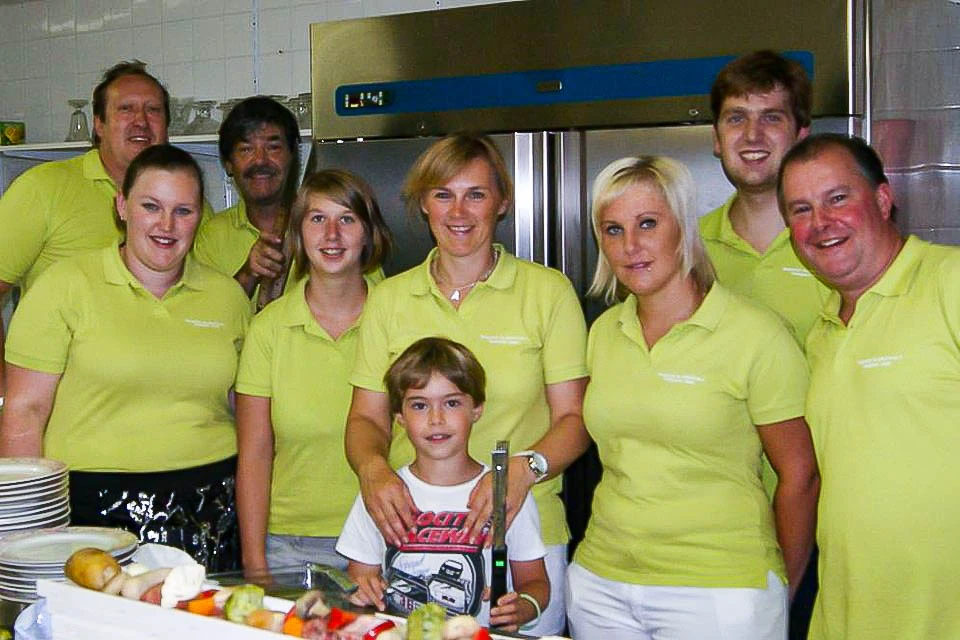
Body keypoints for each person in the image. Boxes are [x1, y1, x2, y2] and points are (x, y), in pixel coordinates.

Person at [565, 156, 819, 639]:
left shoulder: (756, 334)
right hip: (602, 583)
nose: (631, 246)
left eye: (647, 224)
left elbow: (800, 476)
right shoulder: (605, 332)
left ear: (683, 226)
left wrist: (777, 589)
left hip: (720, 588)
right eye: (613, 230)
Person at [344, 133, 587, 636]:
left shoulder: (547, 292)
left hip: (523, 541)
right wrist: (372, 470)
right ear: (423, 204)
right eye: (443, 194)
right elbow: (366, 417)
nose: (458, 211)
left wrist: (525, 470)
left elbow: (575, 419)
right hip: (412, 539)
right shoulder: (389, 299)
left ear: (502, 202)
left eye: (475, 194)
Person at [0, 144, 250, 571]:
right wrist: (31, 534)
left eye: (183, 211)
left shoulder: (227, 296)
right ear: (121, 206)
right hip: (91, 511)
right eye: (151, 206)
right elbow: (25, 412)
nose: (166, 225)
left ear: (199, 218)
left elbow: (244, 410)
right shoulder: (64, 286)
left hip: (212, 507)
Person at [778, 133, 960, 639]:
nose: (821, 222)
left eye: (838, 198)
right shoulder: (821, 333)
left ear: (882, 200)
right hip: (847, 613)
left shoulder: (949, 282)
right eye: (801, 209)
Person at [235, 169, 392, 574]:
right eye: (318, 218)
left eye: (347, 219)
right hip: (291, 546)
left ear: (368, 233)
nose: (332, 234)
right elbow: (254, 454)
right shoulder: (268, 329)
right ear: (298, 233)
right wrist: (255, 562)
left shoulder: (400, 317)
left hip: (390, 535)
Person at [337, 337, 549, 632]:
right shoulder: (380, 494)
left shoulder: (505, 493)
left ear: (477, 409)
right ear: (399, 417)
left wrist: (524, 606)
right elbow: (358, 579)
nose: (436, 419)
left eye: (451, 403)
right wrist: (363, 591)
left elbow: (536, 583)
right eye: (419, 405)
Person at [0, 59, 170, 401]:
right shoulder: (43, 187)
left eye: (153, 110)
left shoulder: (184, 204)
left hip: (155, 405)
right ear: (99, 124)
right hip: (58, 410)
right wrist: (5, 393)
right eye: (126, 109)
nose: (141, 120)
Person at [700, 50, 829, 346]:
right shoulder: (687, 247)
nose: (752, 135)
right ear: (717, 139)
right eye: (736, 118)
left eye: (771, 118)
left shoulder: (835, 240)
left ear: (801, 136)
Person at [192, 96, 300, 307]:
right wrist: (248, 273)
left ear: (292, 155)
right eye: (246, 149)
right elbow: (204, 316)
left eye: (273, 147)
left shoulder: (324, 225)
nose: (260, 160)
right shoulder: (213, 236)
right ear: (228, 164)